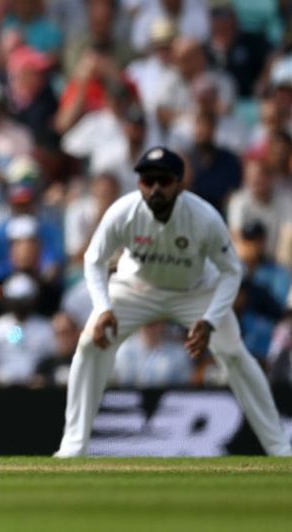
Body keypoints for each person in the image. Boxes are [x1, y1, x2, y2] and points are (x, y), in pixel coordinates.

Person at [54, 146, 292, 457]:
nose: (154, 189)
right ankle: (73, 446)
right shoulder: (123, 211)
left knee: (234, 354)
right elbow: (93, 260)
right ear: (139, 183)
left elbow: (232, 271)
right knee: (89, 346)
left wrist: (209, 320)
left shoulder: (203, 216)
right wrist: (103, 308)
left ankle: (279, 448)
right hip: (136, 288)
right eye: (147, 180)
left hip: (195, 290)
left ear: (179, 183)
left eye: (163, 181)